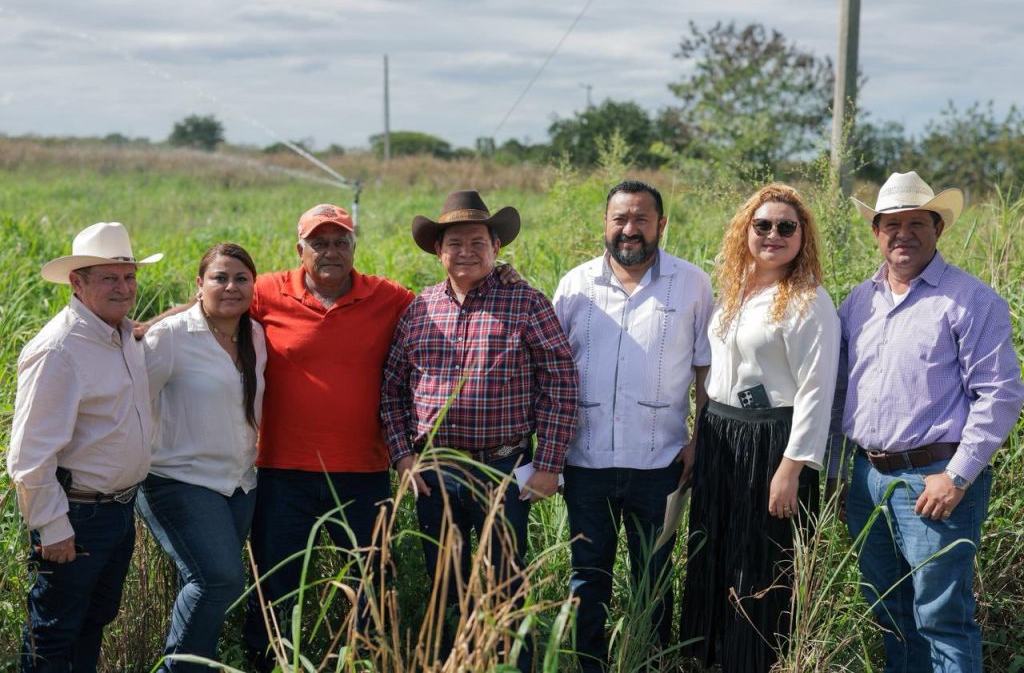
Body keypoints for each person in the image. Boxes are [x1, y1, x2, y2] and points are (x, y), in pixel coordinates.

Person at [827, 171, 1024, 672]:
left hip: (934, 481)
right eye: (891, 224)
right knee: (889, 612)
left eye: (917, 222)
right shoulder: (859, 301)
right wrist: (836, 469)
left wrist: (957, 477)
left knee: (941, 619)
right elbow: (840, 390)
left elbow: (999, 397)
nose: (903, 234)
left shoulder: (970, 300)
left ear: (939, 228)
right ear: (876, 232)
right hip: (868, 479)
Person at [381, 190, 578, 671]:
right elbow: (391, 386)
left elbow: (562, 383)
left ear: (496, 247)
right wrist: (403, 455)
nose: (465, 252)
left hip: (503, 468)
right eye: (454, 243)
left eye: (476, 241)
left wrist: (549, 464)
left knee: (504, 584)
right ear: (437, 251)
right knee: (444, 582)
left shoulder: (526, 302)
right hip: (436, 471)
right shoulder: (420, 308)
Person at [238, 204, 415, 669]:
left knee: (370, 582)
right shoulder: (264, 292)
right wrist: (145, 329)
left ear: (354, 248)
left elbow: (446, 304)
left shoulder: (388, 297)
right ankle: (267, 662)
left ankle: (364, 661)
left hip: (363, 473)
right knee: (276, 582)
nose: (330, 251)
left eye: (341, 242)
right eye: (319, 243)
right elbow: (208, 310)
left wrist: (500, 279)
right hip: (282, 471)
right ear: (300, 250)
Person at [552, 180, 714, 672]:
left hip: (659, 462)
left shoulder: (691, 284)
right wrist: (552, 451)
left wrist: (698, 440)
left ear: (661, 225)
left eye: (642, 219)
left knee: (655, 578)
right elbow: (553, 372)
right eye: (620, 218)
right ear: (605, 223)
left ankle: (649, 662)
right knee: (588, 578)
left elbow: (707, 369)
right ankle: (589, 665)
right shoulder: (575, 285)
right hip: (586, 462)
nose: (630, 229)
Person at [679, 184, 840, 673]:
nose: (773, 234)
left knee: (760, 562)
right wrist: (698, 435)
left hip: (774, 442)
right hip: (721, 434)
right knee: (717, 550)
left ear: (802, 235)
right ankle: (710, 659)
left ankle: (755, 662)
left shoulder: (808, 301)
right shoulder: (734, 288)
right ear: (745, 230)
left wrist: (790, 468)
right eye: (762, 225)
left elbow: (817, 390)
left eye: (786, 227)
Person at [8, 222, 161, 671]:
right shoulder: (59, 350)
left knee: (92, 621)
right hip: (76, 516)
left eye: (129, 276)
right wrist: (53, 528)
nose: (124, 287)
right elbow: (29, 457)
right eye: (109, 278)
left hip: (115, 510)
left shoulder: (120, 333)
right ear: (77, 282)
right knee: (54, 632)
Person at [135, 243, 267, 671]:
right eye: (219, 278)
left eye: (241, 278)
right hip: (179, 479)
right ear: (199, 285)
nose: (230, 286)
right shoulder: (170, 337)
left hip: (239, 484)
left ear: (253, 285)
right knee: (218, 579)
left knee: (209, 584)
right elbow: (130, 404)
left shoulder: (257, 336)